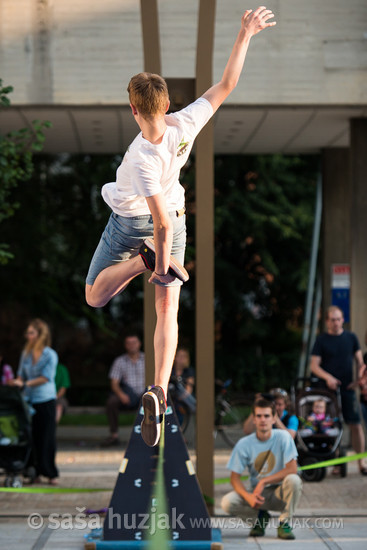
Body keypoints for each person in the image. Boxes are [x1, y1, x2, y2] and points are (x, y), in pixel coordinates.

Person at [84, 7, 276, 446]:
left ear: (133, 108)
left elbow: (157, 219)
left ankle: (136, 264)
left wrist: (157, 261)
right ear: (166, 104)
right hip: (174, 220)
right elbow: (227, 84)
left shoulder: (140, 156)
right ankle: (160, 390)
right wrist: (245, 33)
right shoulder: (184, 122)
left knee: (95, 295)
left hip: (138, 225)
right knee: (166, 310)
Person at [221, 398, 302, 540]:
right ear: (254, 419)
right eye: (259, 416)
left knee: (294, 480)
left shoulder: (284, 437)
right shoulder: (244, 444)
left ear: (273, 418)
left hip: (280, 493)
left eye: (266, 416)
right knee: (227, 502)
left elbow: (292, 469)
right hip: (258, 496)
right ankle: (259, 519)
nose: (262, 420)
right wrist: (248, 497)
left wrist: (263, 481)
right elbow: (234, 478)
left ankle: (284, 523)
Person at [310, 305, 367, 475]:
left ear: (343, 320)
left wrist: (360, 380)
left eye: (338, 319)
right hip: (327, 391)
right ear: (327, 321)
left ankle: (361, 462)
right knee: (330, 425)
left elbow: (360, 362)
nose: (336, 322)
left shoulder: (351, 338)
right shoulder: (321, 340)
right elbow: (314, 366)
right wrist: (328, 377)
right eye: (332, 319)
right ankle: (335, 462)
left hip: (347, 388)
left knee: (356, 424)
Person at [8, 319, 59, 485]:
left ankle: (50, 473)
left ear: (39, 335)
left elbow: (46, 377)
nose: (28, 336)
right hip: (29, 400)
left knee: (47, 437)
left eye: (31, 333)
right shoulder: (26, 353)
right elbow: (21, 373)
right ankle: (33, 471)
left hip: (45, 398)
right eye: (28, 333)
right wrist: (18, 381)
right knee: (31, 437)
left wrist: (25, 383)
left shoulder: (50, 354)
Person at [101, 334, 145, 447]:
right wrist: (121, 395)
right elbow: (114, 383)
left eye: (134, 342)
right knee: (112, 402)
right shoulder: (119, 361)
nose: (132, 345)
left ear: (139, 344)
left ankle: (147, 436)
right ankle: (114, 435)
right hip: (127, 394)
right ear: (125, 346)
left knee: (151, 401)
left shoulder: (147, 359)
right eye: (129, 343)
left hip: (143, 394)